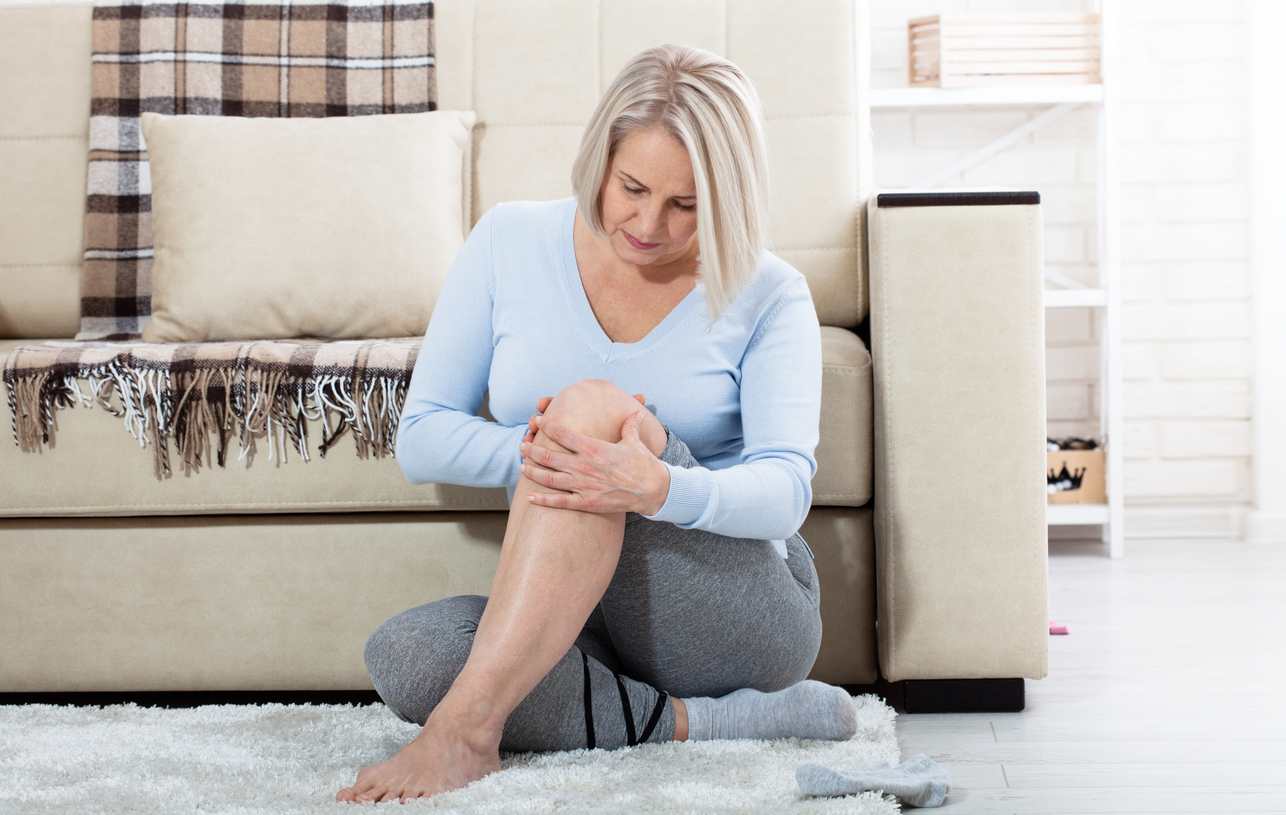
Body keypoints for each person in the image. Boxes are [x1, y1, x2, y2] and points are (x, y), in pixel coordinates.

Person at [337, 44, 857, 805]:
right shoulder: (509, 242)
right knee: (409, 654)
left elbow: (784, 492)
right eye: (632, 188)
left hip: (738, 604)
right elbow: (422, 436)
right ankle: (696, 722)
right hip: (588, 617)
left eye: (686, 205)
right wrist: (552, 454)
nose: (648, 224)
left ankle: (464, 733)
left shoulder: (770, 292)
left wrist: (656, 485)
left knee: (593, 405)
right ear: (600, 160)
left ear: (726, 194)